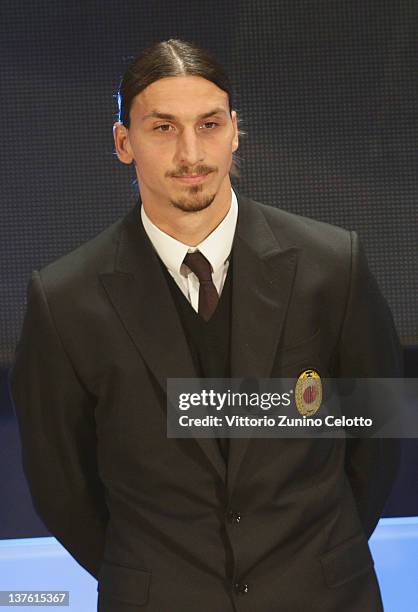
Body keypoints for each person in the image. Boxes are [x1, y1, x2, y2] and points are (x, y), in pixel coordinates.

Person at [9, 39, 402, 612]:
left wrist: (315, 562)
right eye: (163, 129)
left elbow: (379, 435)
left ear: (235, 130)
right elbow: (60, 485)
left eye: (209, 124)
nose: (192, 153)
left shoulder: (331, 264)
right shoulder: (64, 300)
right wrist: (152, 577)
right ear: (124, 142)